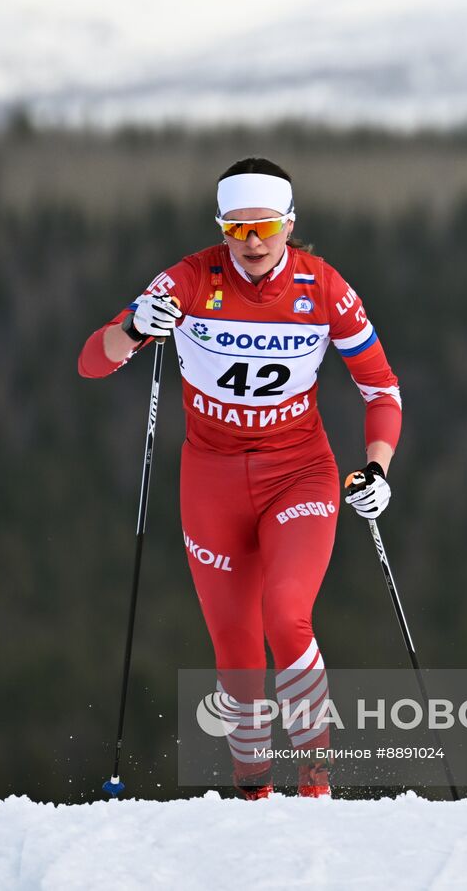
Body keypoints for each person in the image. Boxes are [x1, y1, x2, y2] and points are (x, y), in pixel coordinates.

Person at [78, 157, 401, 799]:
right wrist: (136, 328)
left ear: (289, 225)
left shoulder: (324, 289)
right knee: (236, 649)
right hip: (212, 481)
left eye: (266, 228)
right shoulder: (188, 281)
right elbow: (93, 361)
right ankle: (253, 791)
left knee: (286, 616)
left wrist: (377, 468)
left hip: (299, 473)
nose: (252, 244)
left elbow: (381, 388)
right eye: (237, 229)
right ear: (221, 228)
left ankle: (316, 783)